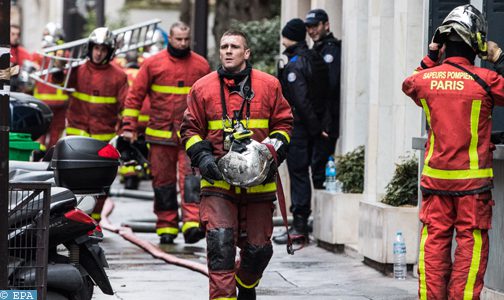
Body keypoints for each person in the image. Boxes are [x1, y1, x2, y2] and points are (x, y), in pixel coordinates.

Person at [180, 29, 292, 300]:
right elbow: (189, 130)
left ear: (247, 53)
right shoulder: (203, 88)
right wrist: (203, 157)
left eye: (234, 46)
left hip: (259, 186)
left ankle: (246, 283)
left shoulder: (269, 85)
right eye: (224, 46)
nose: (228, 51)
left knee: (259, 250)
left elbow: (284, 125)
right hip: (218, 185)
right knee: (220, 248)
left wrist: (269, 153)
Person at [402, 5, 504, 299]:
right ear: (477, 44)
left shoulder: (425, 81)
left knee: (433, 245)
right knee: (470, 250)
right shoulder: (487, 80)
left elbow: (410, 82)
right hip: (473, 186)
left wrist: (431, 54)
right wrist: (497, 56)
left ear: (445, 42)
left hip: (436, 182)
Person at [122, 22, 211, 245]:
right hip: (159, 135)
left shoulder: (201, 65)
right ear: (169, 38)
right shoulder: (153, 64)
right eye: (178, 39)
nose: (182, 43)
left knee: (191, 179)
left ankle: (192, 223)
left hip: (190, 135)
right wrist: (128, 127)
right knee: (163, 182)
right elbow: (135, 96)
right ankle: (166, 225)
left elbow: (210, 99)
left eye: (186, 39)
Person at [273, 18, 329, 245]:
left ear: (289, 37)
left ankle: (298, 226)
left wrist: (314, 128)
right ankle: (300, 224)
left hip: (299, 128)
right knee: (306, 173)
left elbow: (300, 99)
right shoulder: (313, 56)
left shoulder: (294, 63)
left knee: (298, 174)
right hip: (314, 126)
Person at [64, 27, 129, 220]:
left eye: (103, 49)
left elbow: (126, 106)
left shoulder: (119, 76)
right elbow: (57, 82)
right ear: (89, 48)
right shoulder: (76, 70)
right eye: (96, 48)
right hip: (75, 140)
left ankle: (94, 222)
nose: (99, 52)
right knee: (72, 183)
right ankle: (71, 220)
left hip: (104, 139)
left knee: (101, 184)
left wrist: (126, 132)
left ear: (110, 51)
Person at [33, 22, 69, 150]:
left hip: (45, 104)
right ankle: (48, 159)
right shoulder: (65, 55)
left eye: (47, 35)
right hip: (55, 104)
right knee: (52, 137)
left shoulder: (40, 55)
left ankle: (40, 158)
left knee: (43, 134)